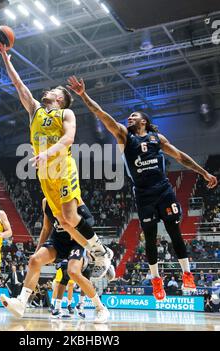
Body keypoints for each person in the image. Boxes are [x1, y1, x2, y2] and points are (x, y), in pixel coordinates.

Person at [67, 75, 218, 301]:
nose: (130, 117)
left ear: (144, 121)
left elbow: (181, 157)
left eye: (134, 115)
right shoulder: (124, 136)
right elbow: (102, 115)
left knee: (175, 231)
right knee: (150, 237)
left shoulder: (158, 138)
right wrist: (83, 95)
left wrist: (203, 172)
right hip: (143, 193)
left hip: (163, 189)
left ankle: (187, 273)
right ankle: (156, 280)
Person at [0, 46, 113, 278]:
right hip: (45, 173)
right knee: (63, 220)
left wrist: (47, 153)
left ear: (60, 99)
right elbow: (19, 85)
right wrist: (4, 58)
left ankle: (100, 251)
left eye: (52, 91)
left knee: (70, 216)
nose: (46, 92)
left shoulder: (66, 114)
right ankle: (100, 251)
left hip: (62, 166)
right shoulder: (35, 111)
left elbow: (69, 139)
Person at [0, 198, 110, 323]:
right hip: (57, 241)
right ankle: (21, 303)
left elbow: (90, 220)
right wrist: (37, 250)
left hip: (76, 242)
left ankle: (100, 308)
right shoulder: (46, 201)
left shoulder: (73, 197)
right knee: (35, 260)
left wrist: (72, 226)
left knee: (73, 272)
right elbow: (46, 229)